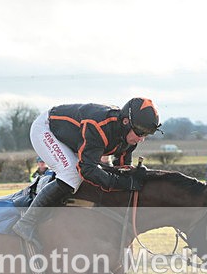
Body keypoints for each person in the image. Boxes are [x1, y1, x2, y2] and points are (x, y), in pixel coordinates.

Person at [12, 97, 162, 249]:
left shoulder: (129, 137)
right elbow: (87, 169)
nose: (141, 139)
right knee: (72, 174)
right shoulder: (99, 126)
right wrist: (122, 182)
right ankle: (26, 223)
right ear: (125, 122)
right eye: (140, 132)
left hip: (74, 136)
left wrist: (134, 176)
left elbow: (121, 170)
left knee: (93, 174)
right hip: (47, 129)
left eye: (146, 134)